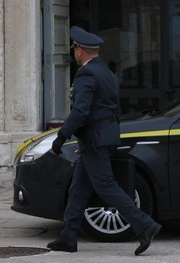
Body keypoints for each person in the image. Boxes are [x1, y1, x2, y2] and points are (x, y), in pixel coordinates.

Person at [47, 26, 161, 256]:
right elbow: (113, 109)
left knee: (106, 187)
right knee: (79, 189)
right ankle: (68, 237)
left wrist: (62, 136)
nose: (74, 53)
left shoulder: (86, 74)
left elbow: (80, 111)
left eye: (74, 49)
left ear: (79, 50)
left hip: (95, 141)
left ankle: (145, 225)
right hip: (103, 138)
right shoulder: (107, 73)